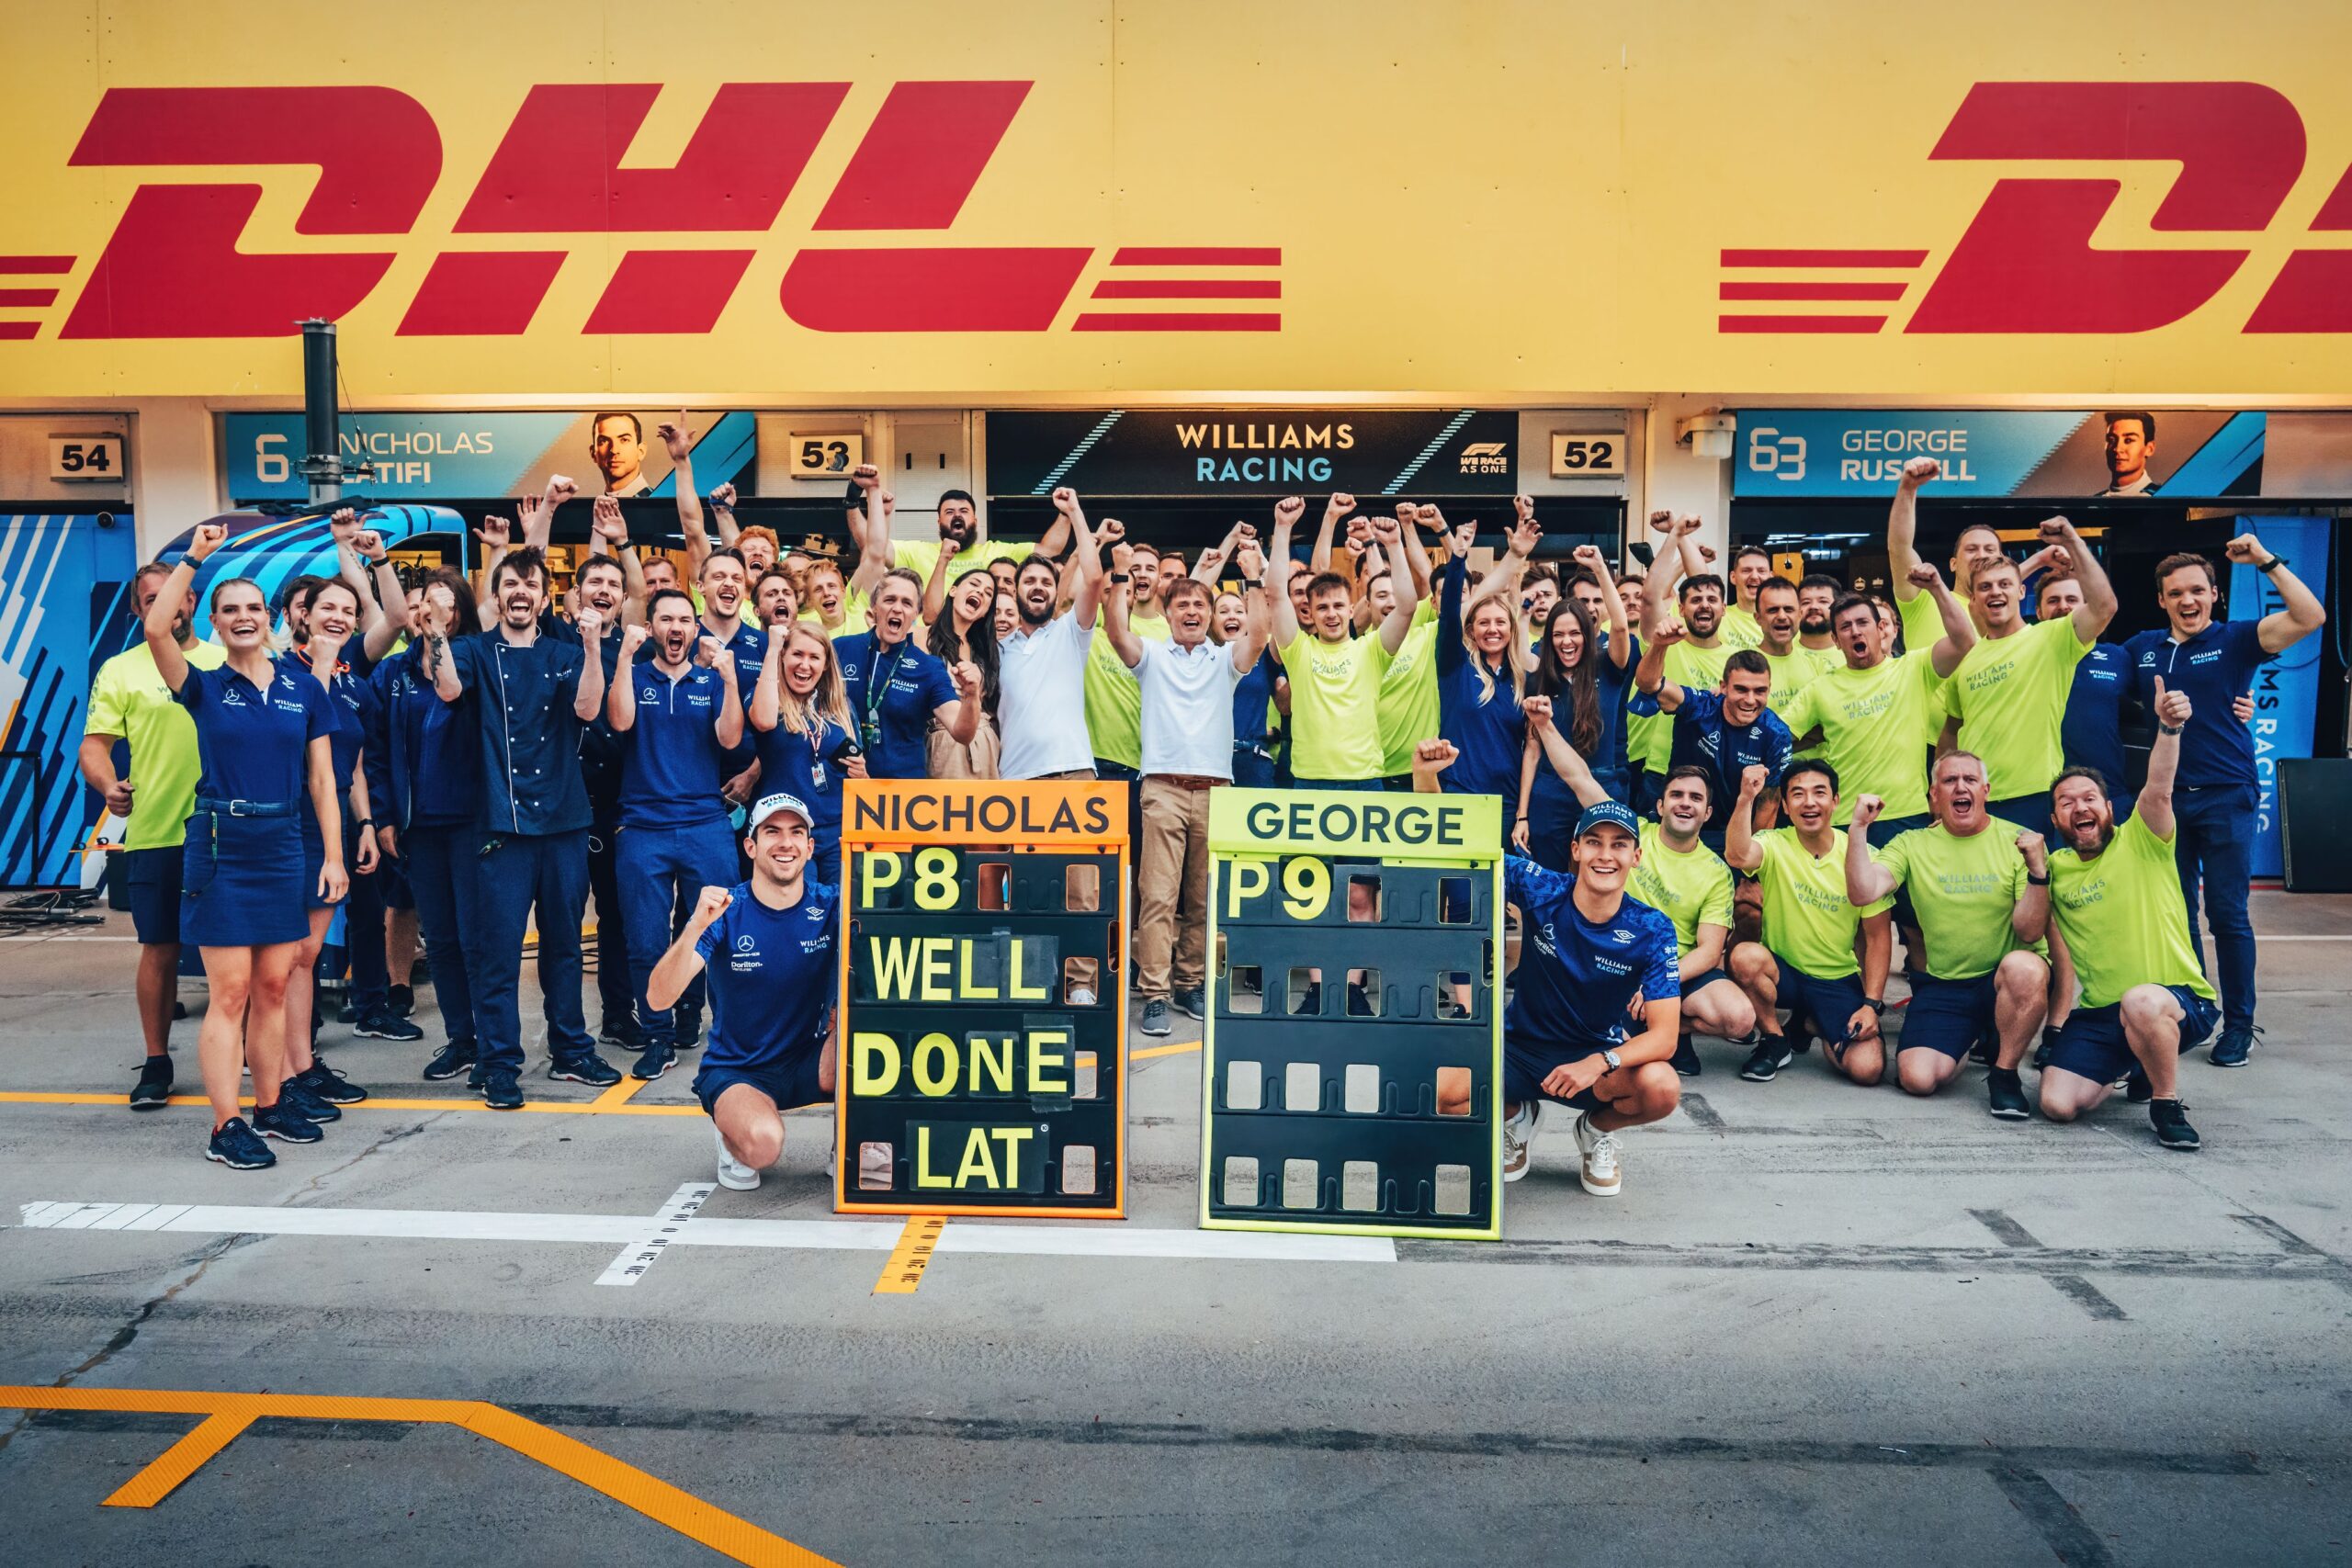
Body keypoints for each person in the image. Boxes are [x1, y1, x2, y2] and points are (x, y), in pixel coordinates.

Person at [145, 523, 347, 1168]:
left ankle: (269, 1103)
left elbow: (322, 781)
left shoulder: (302, 688)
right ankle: (225, 1124)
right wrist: (194, 558)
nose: (243, 618)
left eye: (253, 608)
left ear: (271, 618)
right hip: (222, 845)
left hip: (283, 844)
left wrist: (334, 855)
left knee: (273, 986)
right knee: (230, 992)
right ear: (213, 620)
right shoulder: (202, 685)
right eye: (229, 609)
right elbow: (156, 628)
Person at [425, 546, 623, 1107]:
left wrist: (591, 645)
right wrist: (435, 629)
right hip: (500, 823)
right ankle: (498, 1063)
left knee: (564, 945)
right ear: (496, 596)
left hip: (563, 820)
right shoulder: (473, 650)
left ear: (544, 596)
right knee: (499, 951)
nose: (520, 592)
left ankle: (571, 1050)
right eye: (510, 583)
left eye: (530, 585)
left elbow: (588, 709)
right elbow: (447, 689)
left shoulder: (566, 653)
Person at [2122, 536, 2325, 1067]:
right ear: (2161, 600)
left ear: (2215, 594)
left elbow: (2310, 617)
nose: (2187, 600)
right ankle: (2196, 1014)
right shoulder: (2142, 648)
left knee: (2228, 914)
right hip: (2165, 801)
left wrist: (2265, 561)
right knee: (2177, 913)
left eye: (2197, 590)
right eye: (2175, 593)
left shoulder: (2236, 639)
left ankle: (2238, 1026)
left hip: (2226, 794)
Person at [2025, 678, 2216, 1148]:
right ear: (2055, 821)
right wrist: (2036, 875)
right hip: (2102, 1013)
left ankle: (2165, 1102)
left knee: (2141, 1002)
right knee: (2057, 1103)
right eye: (2066, 803)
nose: (2079, 807)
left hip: (2176, 1000)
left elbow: (2159, 788)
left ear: (2109, 809)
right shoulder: (2056, 868)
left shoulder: (2142, 839)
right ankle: (2136, 1058)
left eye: (2089, 798)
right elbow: (2028, 930)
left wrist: (2168, 729)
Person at [1478, 790, 1685, 1195]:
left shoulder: (1652, 927)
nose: (1605, 855)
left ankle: (1596, 1129)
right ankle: (1515, 1117)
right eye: (1594, 842)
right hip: (1518, 1047)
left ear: (1636, 857)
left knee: (1662, 1087)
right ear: (1576, 850)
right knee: (1447, 1087)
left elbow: (1665, 1037)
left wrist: (1599, 1061)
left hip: (1596, 1060)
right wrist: (1426, 778)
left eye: (1619, 845)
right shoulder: (1543, 888)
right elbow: (1463, 849)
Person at [1110, 526, 1271, 1035]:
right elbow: (1116, 632)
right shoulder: (1152, 655)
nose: (1192, 612)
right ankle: (1156, 993)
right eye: (1182, 605)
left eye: (1200, 605)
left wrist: (1253, 579)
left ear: (1209, 614)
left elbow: (1259, 635)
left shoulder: (1225, 659)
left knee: (1202, 900)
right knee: (1158, 897)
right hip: (1162, 789)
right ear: (1168, 614)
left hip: (1216, 792)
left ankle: (1189, 984)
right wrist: (1120, 575)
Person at [82, 564, 228, 1108]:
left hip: (227, 831)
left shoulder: (225, 660)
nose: (165, 604)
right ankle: (157, 1061)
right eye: (150, 599)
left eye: (174, 595)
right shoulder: (120, 670)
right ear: (137, 610)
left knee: (235, 949)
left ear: (191, 599)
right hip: (156, 830)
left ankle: (243, 1049)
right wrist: (107, 785)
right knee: (160, 949)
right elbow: (94, 745)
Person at [1843, 754, 2052, 1117]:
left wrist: (2037, 870)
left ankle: (2004, 1074)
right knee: (1917, 1079)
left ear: (1985, 791)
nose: (1960, 787)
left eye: (1970, 780)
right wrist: (1858, 828)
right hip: (1945, 984)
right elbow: (1863, 893)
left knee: (2025, 967)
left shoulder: (2019, 841)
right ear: (1934, 795)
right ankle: (1969, 1038)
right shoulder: (1911, 843)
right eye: (1950, 781)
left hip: (2001, 981)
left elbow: (2031, 931)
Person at [651, 794, 838, 1191]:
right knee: (763, 1146)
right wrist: (694, 925)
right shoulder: (725, 910)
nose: (785, 843)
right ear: (751, 846)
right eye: (772, 832)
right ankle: (732, 1132)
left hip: (809, 1059)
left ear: (810, 847)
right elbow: (658, 999)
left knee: (874, 1040)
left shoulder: (830, 904)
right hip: (739, 1069)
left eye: (796, 833)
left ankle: (850, 1146)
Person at [275, 577, 400, 1119]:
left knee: (304, 958)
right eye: (328, 607)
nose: (339, 617)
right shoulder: (282, 674)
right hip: (289, 829)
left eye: (348, 610)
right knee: (285, 959)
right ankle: (281, 1073)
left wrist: (365, 824)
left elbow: (353, 763)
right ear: (303, 614)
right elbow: (305, 738)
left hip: (334, 829)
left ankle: (302, 1067)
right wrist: (322, 666)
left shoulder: (353, 683)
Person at [608, 591, 744, 1081]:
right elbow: (619, 720)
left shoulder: (710, 680)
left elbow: (731, 739)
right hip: (643, 826)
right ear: (652, 627)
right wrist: (623, 657)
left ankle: (709, 1025)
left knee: (715, 931)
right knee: (646, 938)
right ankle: (658, 1036)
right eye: (666, 619)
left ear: (695, 629)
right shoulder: (635, 674)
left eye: (685, 619)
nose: (676, 627)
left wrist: (730, 678)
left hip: (705, 823)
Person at [364, 570, 490, 1083]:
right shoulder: (391, 674)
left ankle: (493, 1041)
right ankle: (461, 1039)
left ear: (460, 613)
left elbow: (457, 696)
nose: (433, 614)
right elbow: (374, 751)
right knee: (439, 939)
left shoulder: (477, 660)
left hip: (474, 824)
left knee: (477, 938)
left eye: (445, 605)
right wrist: (384, 817)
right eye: (423, 605)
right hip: (419, 827)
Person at [1937, 515, 2116, 826]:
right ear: (1974, 600)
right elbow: (1951, 731)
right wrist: (1941, 794)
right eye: (1985, 587)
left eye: (2005, 584)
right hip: (1975, 800)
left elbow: (2104, 606)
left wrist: (2072, 541)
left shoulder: (2052, 638)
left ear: (2021, 592)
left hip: (2034, 796)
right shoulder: (1965, 657)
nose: (1995, 592)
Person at [1774, 570, 1973, 845]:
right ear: (1836, 640)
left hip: (1908, 815)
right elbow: (1774, 736)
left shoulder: (1914, 668)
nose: (1855, 631)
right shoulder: (1820, 688)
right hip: (1847, 819)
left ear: (1880, 629)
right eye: (1845, 627)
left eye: (1862, 622)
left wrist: (1938, 588)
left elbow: (1965, 641)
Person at [1724, 760, 1893, 1085]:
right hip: (1783, 972)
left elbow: (1878, 938)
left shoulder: (1864, 855)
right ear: (1786, 807)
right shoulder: (1775, 843)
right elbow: (1738, 855)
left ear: (1836, 801)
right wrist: (1746, 798)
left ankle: (1808, 1022)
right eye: (1798, 794)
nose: (1809, 802)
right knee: (1745, 956)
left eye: (1819, 793)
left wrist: (1871, 1005)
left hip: (1836, 979)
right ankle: (1775, 1039)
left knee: (1867, 1069)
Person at [1269, 495, 1420, 789]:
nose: (1331, 614)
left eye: (1338, 606)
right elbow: (1276, 595)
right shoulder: (1298, 649)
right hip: (1309, 780)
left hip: (1364, 780)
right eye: (1322, 608)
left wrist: (1393, 545)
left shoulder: (1372, 649)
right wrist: (1283, 527)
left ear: (1351, 610)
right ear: (1311, 613)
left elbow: (1407, 607)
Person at [1630, 637, 1792, 851]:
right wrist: (1659, 644)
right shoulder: (1700, 707)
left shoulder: (1776, 733)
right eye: (1741, 689)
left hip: (1730, 835)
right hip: (1680, 824)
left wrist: (1749, 861)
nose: (1750, 699)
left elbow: (1769, 804)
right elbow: (1649, 684)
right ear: (1724, 687)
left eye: (1760, 691)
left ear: (1769, 690)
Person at [1515, 592, 1634, 865]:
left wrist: (1601, 572)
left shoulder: (1609, 667)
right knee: (1550, 876)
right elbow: (1532, 750)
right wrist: (1523, 815)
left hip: (1601, 782)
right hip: (1550, 790)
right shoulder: (1541, 678)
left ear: (1588, 635)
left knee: (1601, 868)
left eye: (1574, 633)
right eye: (1558, 635)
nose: (1566, 642)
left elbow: (1620, 626)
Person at [996, 487, 1104, 782]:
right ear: (1015, 591)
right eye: (1029, 581)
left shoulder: (1071, 632)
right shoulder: (998, 647)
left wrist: (1075, 512)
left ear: (1056, 594)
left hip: (1074, 771)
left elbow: (1094, 578)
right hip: (1017, 778)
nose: (1038, 586)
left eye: (1046, 582)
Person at [835, 569, 985, 780]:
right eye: (889, 600)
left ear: (917, 613)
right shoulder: (839, 650)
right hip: (842, 784)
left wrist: (971, 695)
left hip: (901, 792)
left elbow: (962, 733)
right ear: (874, 606)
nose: (897, 608)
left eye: (907, 603)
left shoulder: (928, 667)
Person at [1434, 504, 1535, 814]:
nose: (1493, 629)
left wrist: (1522, 813)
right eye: (1484, 623)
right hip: (1458, 796)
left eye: (1500, 622)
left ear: (1511, 629)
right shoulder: (1455, 667)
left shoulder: (1522, 676)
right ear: (1471, 630)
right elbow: (1449, 613)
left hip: (1506, 803)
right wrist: (1458, 556)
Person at [750, 622, 865, 888]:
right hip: (788, 833)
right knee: (797, 907)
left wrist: (861, 774)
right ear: (783, 657)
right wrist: (773, 648)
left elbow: (860, 774)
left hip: (838, 832)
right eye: (797, 654)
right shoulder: (767, 698)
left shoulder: (841, 706)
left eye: (814, 657)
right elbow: (764, 721)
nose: (804, 665)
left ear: (825, 665)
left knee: (841, 906)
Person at [1633, 513, 1731, 808]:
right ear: (1681, 608)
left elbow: (1702, 581)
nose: (1704, 605)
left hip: (1718, 772)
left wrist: (1682, 535)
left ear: (1724, 609)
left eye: (1712, 601)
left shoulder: (1736, 659)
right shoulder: (1668, 639)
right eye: (1695, 601)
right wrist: (1675, 534)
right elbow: (1651, 597)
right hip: (1663, 771)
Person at [923, 562, 1007, 779]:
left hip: (986, 743)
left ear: (985, 611)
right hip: (944, 743)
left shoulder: (987, 651)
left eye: (988, 593)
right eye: (974, 584)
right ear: (953, 590)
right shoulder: (922, 638)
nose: (980, 592)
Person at [1718, 545, 1775, 649]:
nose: (1754, 576)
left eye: (1761, 571)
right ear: (1733, 577)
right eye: (1746, 570)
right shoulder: (1719, 616)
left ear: (1771, 578)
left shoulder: (1782, 621)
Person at [592, 412, 652, 497]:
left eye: (624, 440)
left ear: (641, 451)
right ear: (593, 453)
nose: (614, 450)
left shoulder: (663, 502)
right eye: (604, 441)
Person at [2098, 412, 2157, 497]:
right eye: (2111, 440)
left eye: (2128, 440)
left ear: (2149, 449)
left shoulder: (2162, 498)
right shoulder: (2094, 501)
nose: (2117, 449)